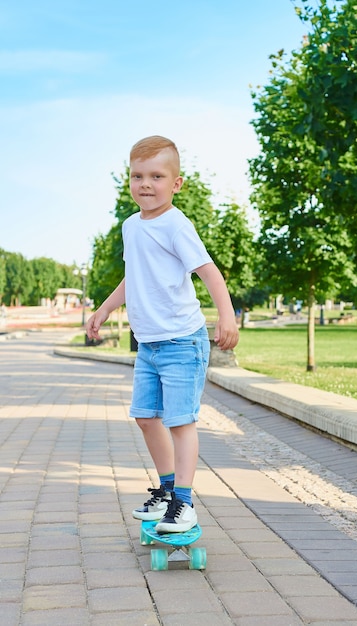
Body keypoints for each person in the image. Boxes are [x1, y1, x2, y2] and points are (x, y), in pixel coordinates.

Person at [86, 135, 239, 533]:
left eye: (157, 176)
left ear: (177, 183)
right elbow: (132, 278)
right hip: (150, 345)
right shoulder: (130, 227)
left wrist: (226, 316)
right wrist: (103, 309)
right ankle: (168, 492)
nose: (146, 184)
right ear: (129, 180)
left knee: (179, 423)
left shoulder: (176, 224)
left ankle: (184, 503)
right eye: (138, 176)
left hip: (182, 342)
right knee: (144, 418)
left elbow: (209, 272)